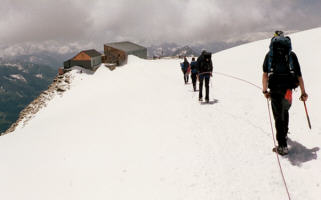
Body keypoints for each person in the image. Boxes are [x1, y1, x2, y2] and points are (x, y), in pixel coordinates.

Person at [262, 31, 308, 155]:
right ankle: (284, 133)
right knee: (285, 111)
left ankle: (282, 146)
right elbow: (299, 76)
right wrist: (303, 93)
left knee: (278, 116)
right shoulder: (291, 55)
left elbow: (265, 75)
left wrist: (265, 91)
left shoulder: (270, 55)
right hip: (288, 90)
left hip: (275, 89)